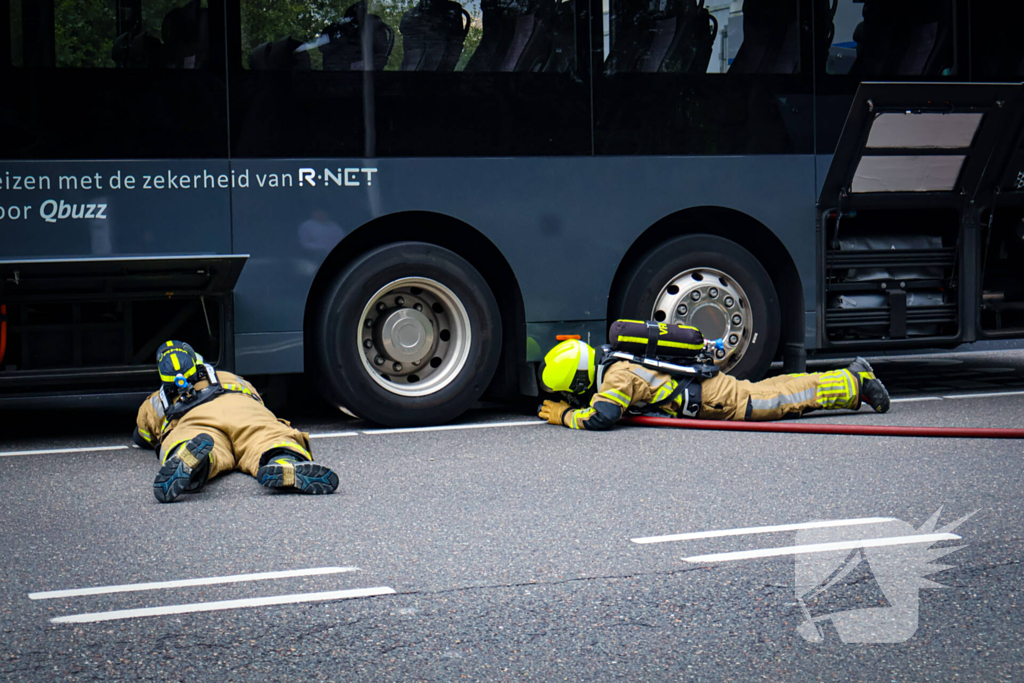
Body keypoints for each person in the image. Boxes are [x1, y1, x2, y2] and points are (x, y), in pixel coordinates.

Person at [536, 321, 890, 431]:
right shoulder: (612, 359)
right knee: (777, 388)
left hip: (715, 401)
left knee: (785, 400)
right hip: (708, 391)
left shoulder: (615, 377)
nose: (572, 398)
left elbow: (602, 416)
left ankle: (854, 384)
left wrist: (564, 415)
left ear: (580, 380)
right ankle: (848, 377)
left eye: (571, 392)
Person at [134, 341, 339, 502]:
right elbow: (257, 399)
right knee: (268, 438)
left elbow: (141, 435)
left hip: (196, 422)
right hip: (245, 412)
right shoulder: (228, 377)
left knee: (190, 442)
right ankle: (283, 462)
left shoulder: (156, 400)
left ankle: (192, 462)